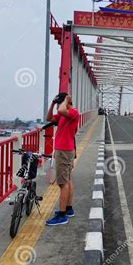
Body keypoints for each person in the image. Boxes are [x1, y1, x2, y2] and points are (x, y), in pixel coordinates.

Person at [45, 92, 80, 226]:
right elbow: (48, 118)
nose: (58, 105)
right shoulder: (63, 114)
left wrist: (65, 101)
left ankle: (62, 214)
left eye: (60, 102)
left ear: (67, 101)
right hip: (65, 150)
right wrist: (53, 103)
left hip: (64, 151)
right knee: (68, 179)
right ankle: (69, 208)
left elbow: (61, 109)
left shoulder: (73, 113)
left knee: (62, 183)